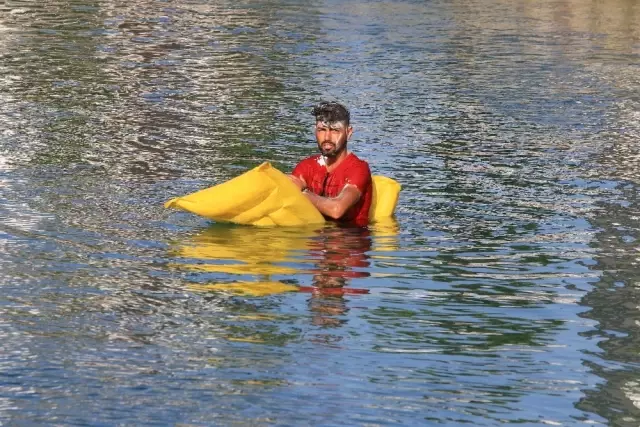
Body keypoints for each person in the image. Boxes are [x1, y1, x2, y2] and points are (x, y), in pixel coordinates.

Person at [290, 101, 373, 227]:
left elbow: (336, 210)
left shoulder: (358, 169)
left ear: (348, 132)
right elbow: (290, 185)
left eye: (335, 130)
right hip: (315, 240)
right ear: (315, 131)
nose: (327, 137)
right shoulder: (307, 166)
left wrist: (304, 193)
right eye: (322, 130)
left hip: (351, 240)